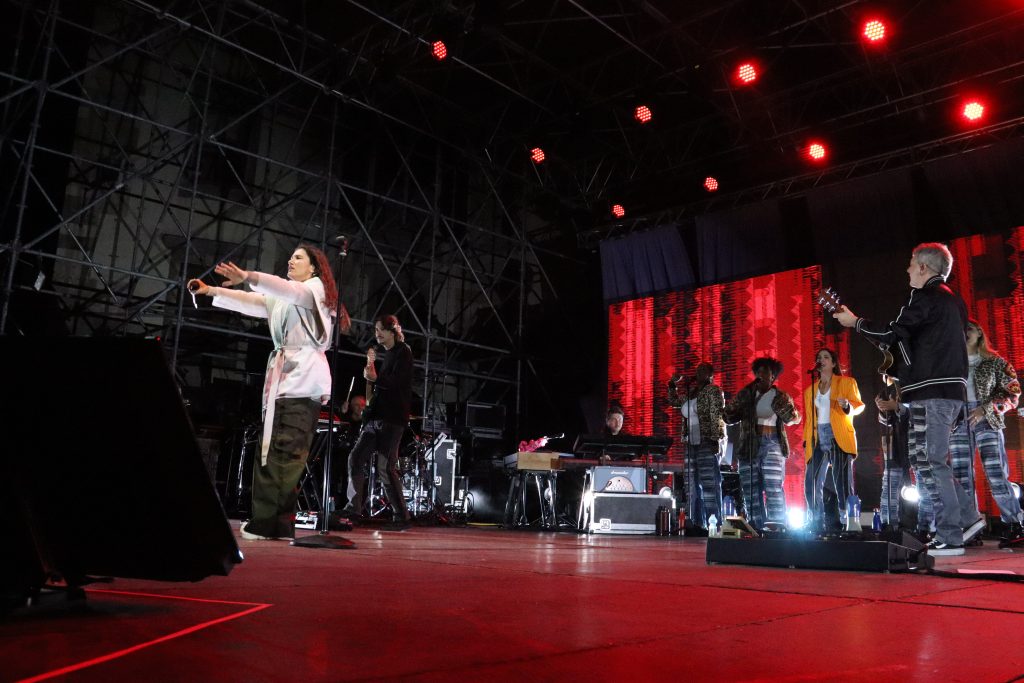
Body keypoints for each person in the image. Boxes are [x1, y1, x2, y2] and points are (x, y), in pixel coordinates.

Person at [834, 242, 980, 556]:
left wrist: (855, 323)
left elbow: (892, 334)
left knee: (932, 460)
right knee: (928, 459)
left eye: (911, 264)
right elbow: (911, 343)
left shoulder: (924, 297)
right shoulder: (953, 301)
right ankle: (968, 517)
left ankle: (952, 535)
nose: (908, 269)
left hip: (933, 392)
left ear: (924, 268)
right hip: (947, 391)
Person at [188, 244, 337, 541]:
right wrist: (211, 291)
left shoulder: (313, 290)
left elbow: (283, 289)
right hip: (288, 381)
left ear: (314, 268)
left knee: (283, 452)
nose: (291, 261)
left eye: (298, 258)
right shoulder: (288, 297)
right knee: (277, 451)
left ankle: (268, 523)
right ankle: (275, 523)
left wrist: (248, 276)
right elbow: (254, 301)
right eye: (290, 256)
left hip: (301, 380)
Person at [951, 320, 1023, 548]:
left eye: (969, 328)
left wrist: (987, 408)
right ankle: (970, 527)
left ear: (980, 333)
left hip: (987, 419)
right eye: (961, 329)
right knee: (961, 475)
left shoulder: (996, 362)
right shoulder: (951, 363)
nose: (965, 332)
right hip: (958, 420)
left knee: (995, 472)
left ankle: (1014, 524)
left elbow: (1013, 394)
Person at [343, 315, 414, 531]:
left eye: (381, 329)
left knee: (386, 467)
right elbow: (378, 389)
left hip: (392, 419)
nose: (377, 334)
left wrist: (375, 378)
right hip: (376, 419)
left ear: (393, 331)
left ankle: (402, 517)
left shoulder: (403, 352)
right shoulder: (389, 354)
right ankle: (353, 510)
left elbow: (397, 383)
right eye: (375, 330)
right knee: (356, 458)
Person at [724, 357, 801, 531]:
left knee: (773, 487)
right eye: (758, 372)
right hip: (748, 445)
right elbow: (727, 416)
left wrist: (785, 408)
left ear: (773, 376)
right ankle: (756, 527)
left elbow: (792, 418)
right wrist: (744, 395)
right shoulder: (747, 394)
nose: (760, 375)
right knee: (750, 490)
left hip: (771, 443)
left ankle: (776, 527)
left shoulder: (780, 396)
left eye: (765, 372)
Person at [802, 348, 864, 533]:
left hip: (838, 434)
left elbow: (858, 405)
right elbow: (809, 419)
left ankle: (849, 521)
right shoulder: (810, 390)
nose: (821, 360)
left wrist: (847, 406)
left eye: (826, 357)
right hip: (817, 436)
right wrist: (806, 439)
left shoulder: (846, 382)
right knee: (811, 481)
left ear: (834, 363)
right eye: (819, 357)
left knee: (842, 481)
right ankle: (816, 520)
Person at [668, 362, 726, 531]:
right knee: (691, 484)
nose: (698, 373)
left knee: (709, 483)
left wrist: (715, 439)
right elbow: (674, 401)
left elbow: (717, 415)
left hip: (706, 440)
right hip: (690, 442)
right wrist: (672, 384)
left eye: (703, 371)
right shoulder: (691, 392)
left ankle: (714, 523)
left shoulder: (713, 391)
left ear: (710, 375)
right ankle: (696, 523)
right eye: (697, 370)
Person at [876, 377, 935, 536]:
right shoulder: (887, 391)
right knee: (889, 483)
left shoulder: (917, 383)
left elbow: (923, 411)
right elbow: (886, 421)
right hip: (896, 441)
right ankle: (888, 524)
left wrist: (898, 407)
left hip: (919, 439)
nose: (887, 375)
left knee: (924, 483)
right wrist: (883, 409)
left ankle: (925, 527)